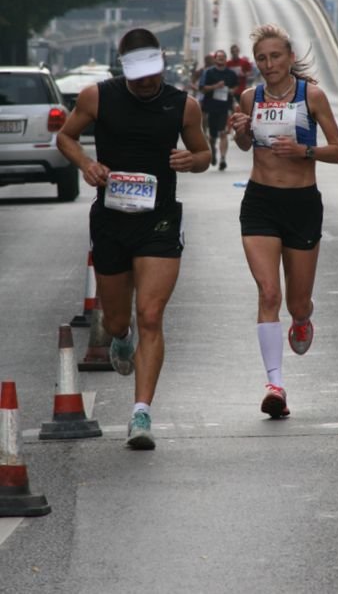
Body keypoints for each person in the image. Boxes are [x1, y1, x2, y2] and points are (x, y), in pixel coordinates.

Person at [56, 28, 211, 450]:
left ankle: (141, 413)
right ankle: (121, 339)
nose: (148, 82)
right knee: (121, 321)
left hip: (158, 220)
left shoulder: (184, 105)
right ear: (124, 68)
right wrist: (86, 163)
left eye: (154, 73)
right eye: (139, 75)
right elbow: (65, 136)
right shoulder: (96, 97)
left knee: (151, 315)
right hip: (110, 220)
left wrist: (190, 159)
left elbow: (204, 155)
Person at [229, 23, 338, 419]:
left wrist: (304, 150)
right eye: (261, 58)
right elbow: (246, 145)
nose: (269, 64)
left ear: (290, 57)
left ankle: (303, 317)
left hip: (302, 203)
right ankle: (274, 384)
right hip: (260, 202)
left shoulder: (311, 95)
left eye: (275, 56)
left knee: (295, 302)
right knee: (268, 294)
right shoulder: (250, 97)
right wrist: (241, 131)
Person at [200, 49, 238, 170]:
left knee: (223, 133)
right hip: (211, 107)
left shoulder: (231, 74)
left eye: (223, 57)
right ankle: (213, 151)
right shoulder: (208, 73)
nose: (221, 59)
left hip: (224, 107)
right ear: (215, 59)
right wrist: (215, 86)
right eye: (219, 57)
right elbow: (202, 89)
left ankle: (222, 159)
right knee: (212, 136)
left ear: (226, 59)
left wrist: (232, 91)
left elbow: (235, 86)